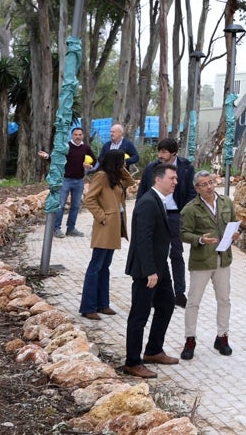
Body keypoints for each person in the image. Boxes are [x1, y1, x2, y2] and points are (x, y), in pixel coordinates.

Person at [122, 161, 179, 379]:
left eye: (176, 179)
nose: (175, 182)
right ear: (158, 179)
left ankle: (154, 350)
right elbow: (142, 239)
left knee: (166, 304)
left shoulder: (160, 200)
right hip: (147, 270)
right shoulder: (147, 202)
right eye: (171, 178)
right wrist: (150, 271)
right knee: (139, 314)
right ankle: (132, 361)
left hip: (159, 266)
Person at [178, 170, 237, 359]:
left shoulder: (226, 202)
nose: (210, 187)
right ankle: (190, 338)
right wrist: (200, 239)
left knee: (224, 299)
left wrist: (235, 234)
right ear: (197, 188)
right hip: (201, 261)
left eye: (211, 182)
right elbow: (183, 233)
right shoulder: (190, 209)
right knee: (193, 301)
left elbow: (234, 223)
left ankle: (222, 336)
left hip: (223, 258)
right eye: (205, 184)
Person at [139, 137, 196, 307]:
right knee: (156, 253)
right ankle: (153, 292)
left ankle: (179, 292)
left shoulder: (186, 167)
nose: (160, 155)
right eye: (159, 151)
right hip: (156, 214)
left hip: (175, 215)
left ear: (173, 153)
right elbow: (142, 192)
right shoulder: (152, 168)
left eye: (164, 151)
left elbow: (192, 193)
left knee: (176, 254)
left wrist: (183, 213)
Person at [78, 148, 134, 320]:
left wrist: (120, 168)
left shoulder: (114, 176)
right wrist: (102, 217)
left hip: (114, 227)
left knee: (104, 267)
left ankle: (103, 304)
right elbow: (89, 199)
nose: (125, 164)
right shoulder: (101, 176)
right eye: (122, 161)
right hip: (105, 226)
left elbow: (130, 181)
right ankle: (88, 307)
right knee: (96, 267)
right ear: (114, 162)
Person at [38, 126, 94, 237]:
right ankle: (56, 229)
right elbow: (56, 159)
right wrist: (47, 156)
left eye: (79, 135)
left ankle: (71, 229)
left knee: (76, 206)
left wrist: (90, 166)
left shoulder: (86, 148)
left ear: (82, 136)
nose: (78, 137)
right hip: (65, 180)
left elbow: (95, 161)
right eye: (75, 134)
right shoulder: (66, 147)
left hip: (79, 181)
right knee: (61, 205)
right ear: (71, 135)